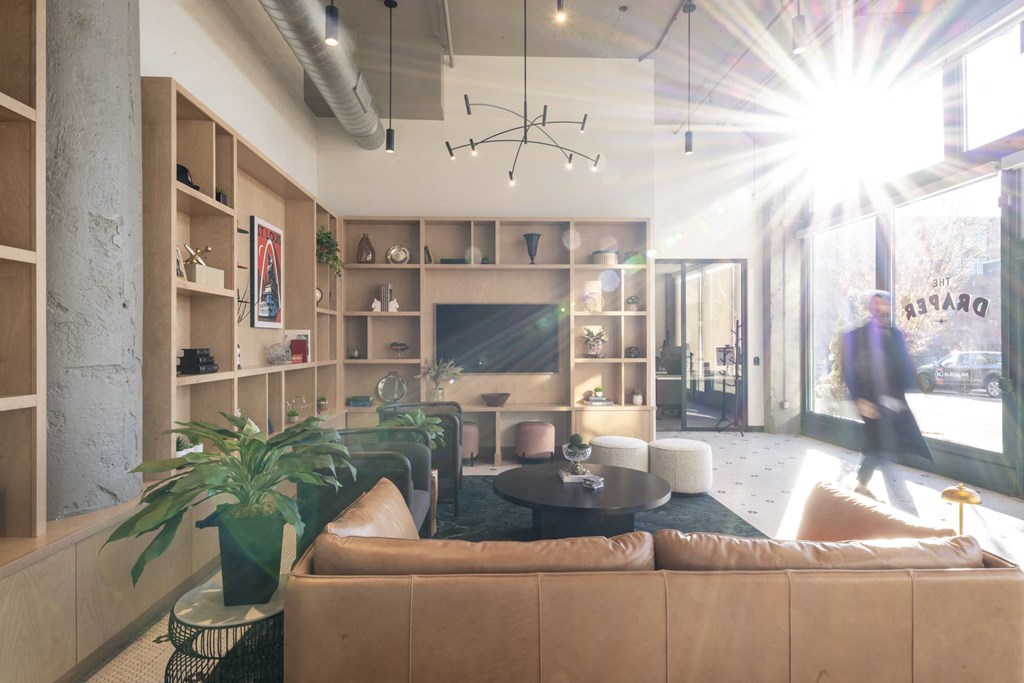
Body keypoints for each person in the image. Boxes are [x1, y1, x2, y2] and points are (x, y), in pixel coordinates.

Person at [841, 290, 932, 498]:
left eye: (883, 303)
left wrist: (918, 387)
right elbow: (849, 369)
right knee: (878, 438)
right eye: (875, 303)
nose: (879, 307)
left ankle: (863, 484)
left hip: (893, 398)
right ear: (870, 307)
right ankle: (864, 485)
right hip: (869, 399)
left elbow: (904, 363)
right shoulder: (856, 336)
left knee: (876, 438)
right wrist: (858, 399)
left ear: (889, 307)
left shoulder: (895, 335)